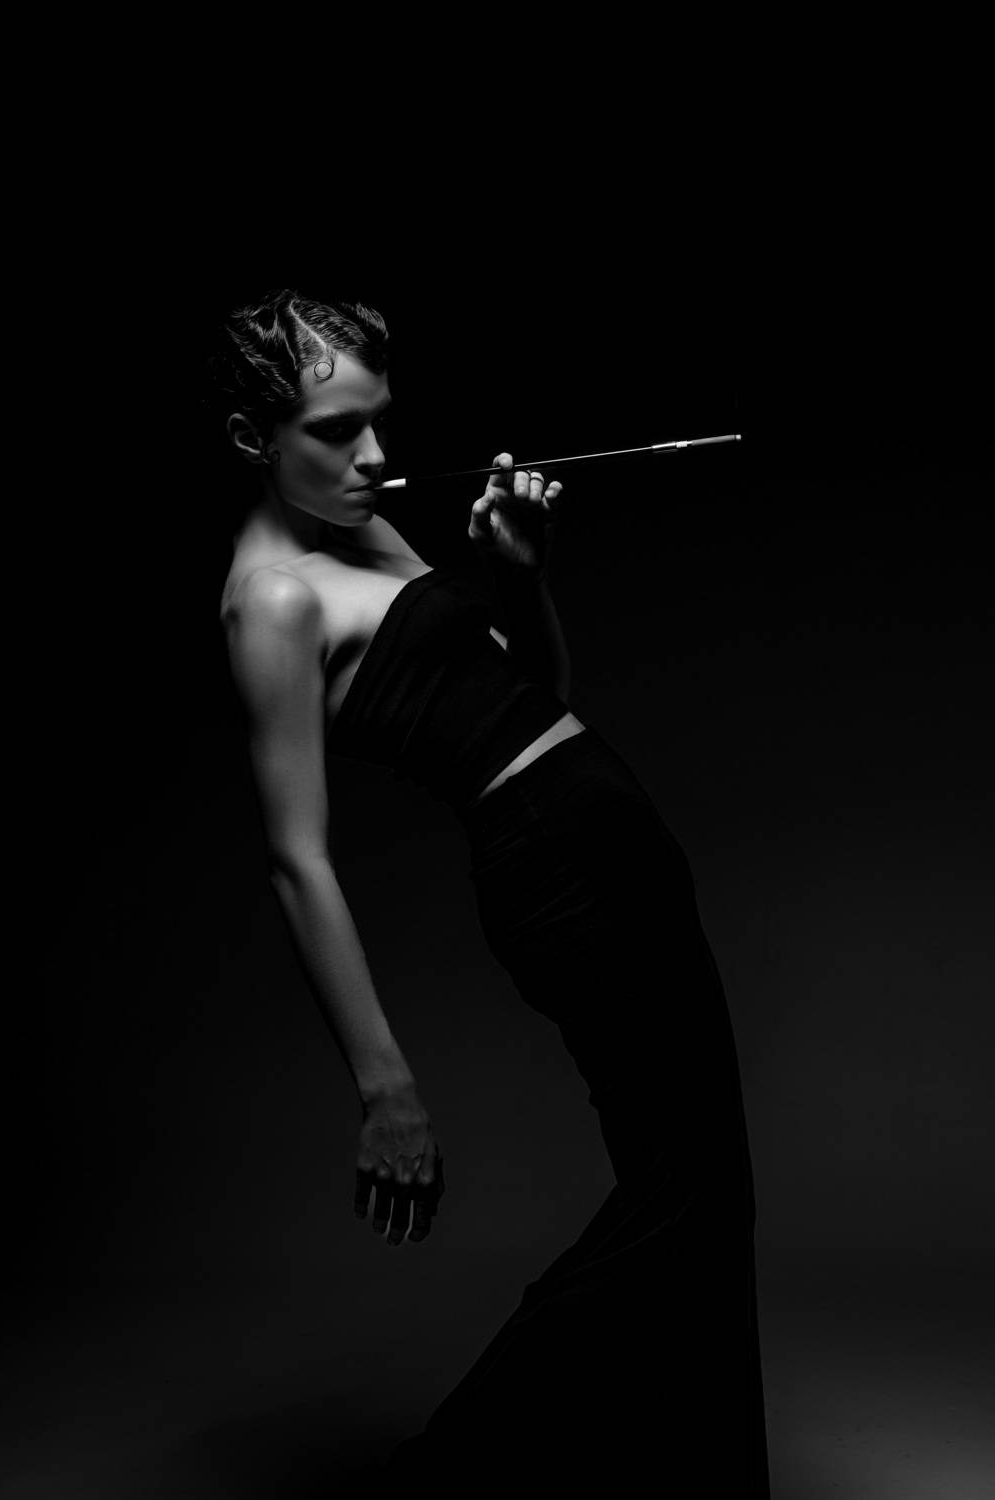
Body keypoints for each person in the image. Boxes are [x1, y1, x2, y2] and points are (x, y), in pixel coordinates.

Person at [210, 288, 770, 1493]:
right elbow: (297, 857)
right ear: (253, 436)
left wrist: (520, 577)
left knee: (705, 1195)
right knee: (686, 1195)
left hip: (613, 846)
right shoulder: (274, 601)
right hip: (557, 872)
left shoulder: (364, 528)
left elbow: (531, 698)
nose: (372, 456)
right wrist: (385, 1088)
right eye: (334, 430)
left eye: (378, 420)